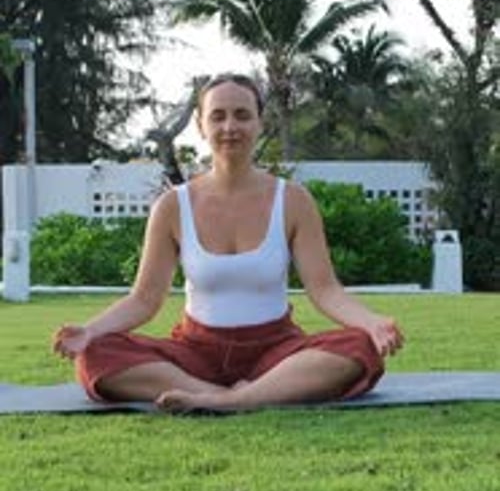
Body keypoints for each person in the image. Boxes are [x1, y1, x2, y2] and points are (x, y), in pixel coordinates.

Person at [53, 73, 404, 412]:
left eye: (242, 115)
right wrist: (90, 331)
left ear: (259, 123)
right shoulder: (173, 205)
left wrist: (371, 323)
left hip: (275, 350)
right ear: (200, 125)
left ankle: (227, 402)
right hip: (195, 353)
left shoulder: (293, 200)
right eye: (217, 116)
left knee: (359, 348)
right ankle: (234, 394)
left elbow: (325, 289)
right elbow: (144, 299)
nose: (230, 128)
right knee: (97, 355)